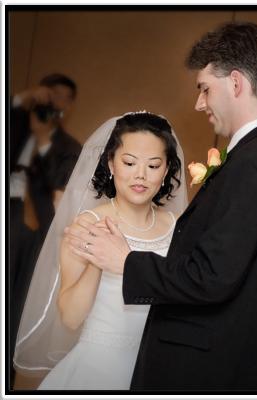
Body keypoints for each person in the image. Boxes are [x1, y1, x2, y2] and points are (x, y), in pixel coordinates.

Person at [66, 22, 257, 391]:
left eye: (205, 89)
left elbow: (212, 277)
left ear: (236, 83)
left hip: (211, 370)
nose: (199, 103)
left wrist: (126, 262)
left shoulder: (253, 164)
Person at [13, 112, 188, 390]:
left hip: (156, 367)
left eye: (153, 165)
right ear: (111, 163)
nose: (140, 175)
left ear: (166, 170)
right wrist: (99, 259)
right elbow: (71, 318)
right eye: (129, 163)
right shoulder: (87, 224)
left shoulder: (178, 227)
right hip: (98, 368)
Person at [10, 73, 81, 388]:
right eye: (51, 94)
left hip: (34, 226)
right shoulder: (14, 124)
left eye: (64, 98)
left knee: (17, 301)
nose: (55, 101)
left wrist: (42, 141)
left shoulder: (68, 147)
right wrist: (21, 100)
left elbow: (60, 190)